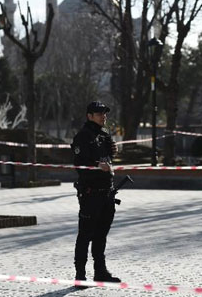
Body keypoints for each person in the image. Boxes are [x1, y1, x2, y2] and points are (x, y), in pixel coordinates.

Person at [71, 101, 120, 285]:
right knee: (85, 234)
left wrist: (111, 154)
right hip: (91, 193)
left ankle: (100, 271)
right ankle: (80, 274)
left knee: (101, 235)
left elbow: (107, 159)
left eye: (104, 113)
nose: (103, 116)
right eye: (99, 113)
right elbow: (79, 165)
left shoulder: (104, 135)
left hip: (107, 193)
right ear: (89, 116)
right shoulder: (83, 136)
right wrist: (97, 166)